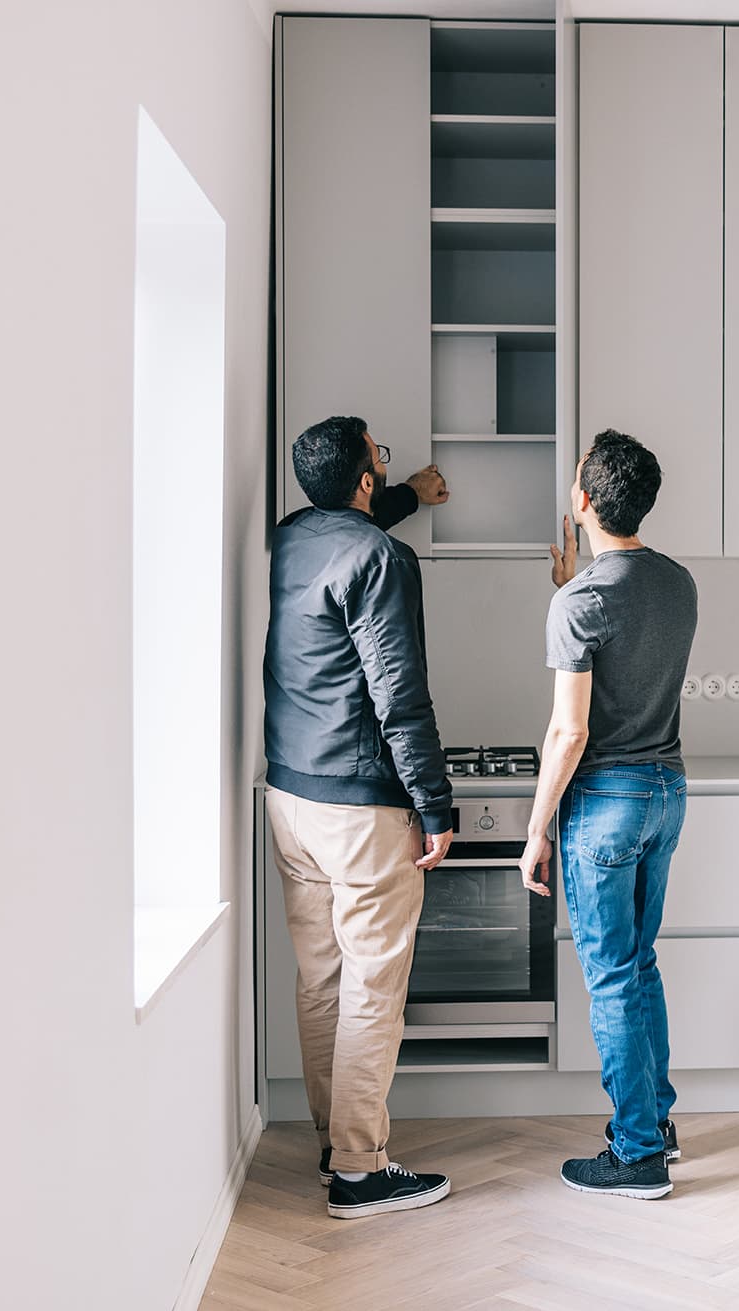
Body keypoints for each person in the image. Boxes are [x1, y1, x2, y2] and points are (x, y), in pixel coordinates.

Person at [263, 415, 455, 1219]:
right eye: (379, 454)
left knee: (322, 979)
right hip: (358, 804)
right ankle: (360, 1168)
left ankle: (329, 1141)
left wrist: (407, 491)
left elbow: (352, 528)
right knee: (373, 984)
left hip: (289, 798)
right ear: (364, 480)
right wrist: (435, 805)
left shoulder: (290, 537)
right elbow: (398, 695)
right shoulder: (382, 558)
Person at [520, 430, 699, 1200]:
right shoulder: (678, 583)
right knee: (640, 962)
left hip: (606, 804)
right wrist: (574, 583)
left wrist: (535, 830)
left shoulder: (580, 601)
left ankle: (635, 1156)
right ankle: (654, 1125)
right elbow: (626, 619)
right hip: (666, 791)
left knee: (612, 977)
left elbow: (570, 731)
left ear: (582, 499)